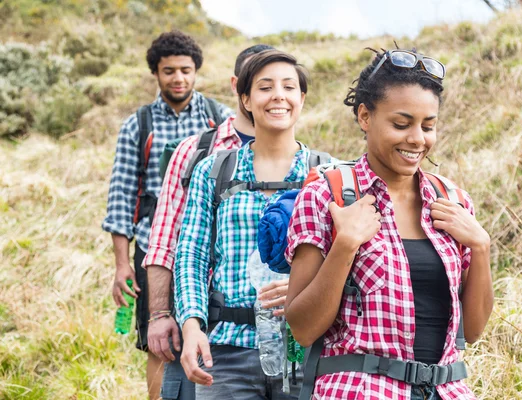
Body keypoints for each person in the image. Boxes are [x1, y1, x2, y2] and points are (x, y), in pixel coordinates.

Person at [284, 48, 494, 400]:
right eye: (401, 124)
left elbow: (472, 330)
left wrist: (481, 246)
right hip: (361, 390)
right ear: (365, 116)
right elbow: (303, 329)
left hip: (447, 390)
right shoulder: (327, 196)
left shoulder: (454, 201)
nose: (417, 138)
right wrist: (345, 244)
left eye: (428, 126)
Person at [174, 49, 326, 399]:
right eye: (265, 87)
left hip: (306, 351)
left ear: (301, 99)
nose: (278, 96)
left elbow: (346, 261)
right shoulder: (214, 170)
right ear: (245, 98)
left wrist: (306, 289)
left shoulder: (327, 173)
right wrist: (192, 326)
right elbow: (191, 256)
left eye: (289, 87)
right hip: (226, 352)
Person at [102, 30, 232, 400]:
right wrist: (122, 264)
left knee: (207, 330)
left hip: (207, 248)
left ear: (196, 71)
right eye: (169, 71)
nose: (179, 79)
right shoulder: (138, 125)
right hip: (152, 249)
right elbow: (122, 197)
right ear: (156, 74)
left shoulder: (218, 119)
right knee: (158, 340)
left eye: (186, 70)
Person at [142, 44, 274, 400]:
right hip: (209, 331)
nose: (273, 94)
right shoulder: (198, 151)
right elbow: (167, 241)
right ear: (239, 88)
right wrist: (160, 315)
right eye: (260, 83)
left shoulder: (304, 162)